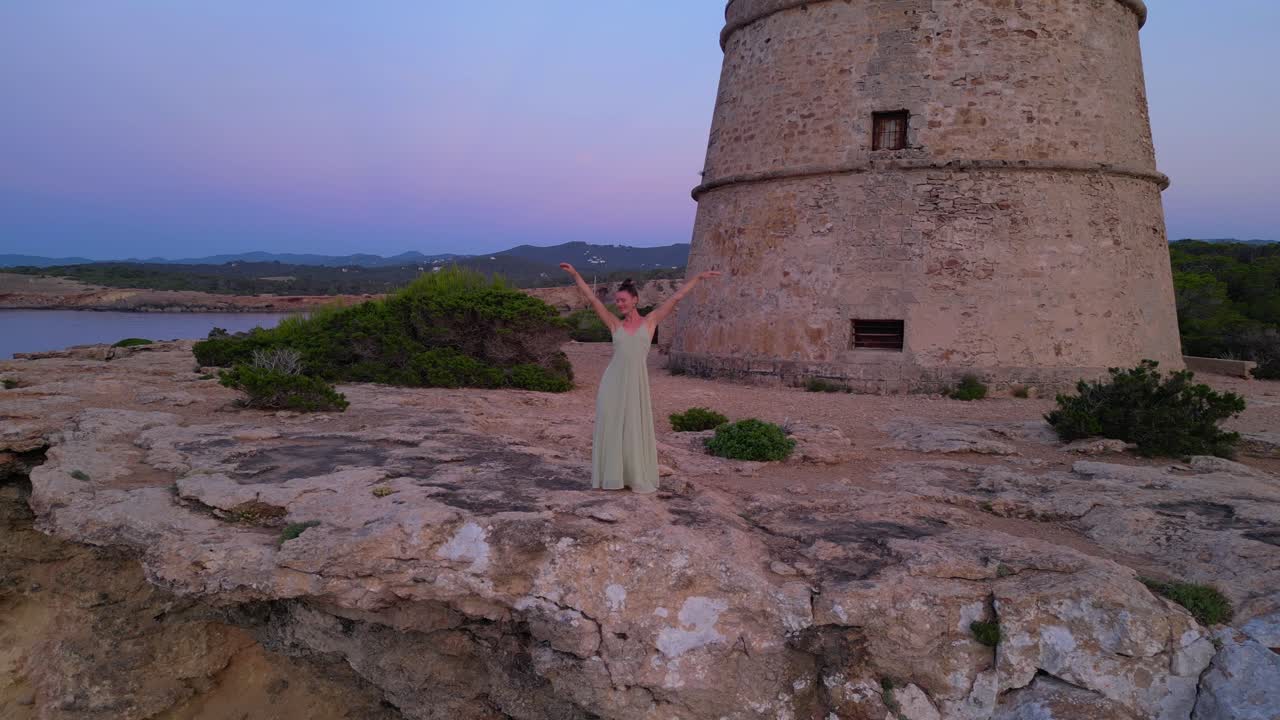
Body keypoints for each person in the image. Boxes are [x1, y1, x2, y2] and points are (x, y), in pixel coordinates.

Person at [559, 263, 722, 494]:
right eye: (617, 301)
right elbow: (593, 300)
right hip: (612, 383)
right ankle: (612, 476)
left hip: (636, 383)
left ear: (635, 300)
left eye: (623, 300)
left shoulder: (651, 322)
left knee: (634, 428)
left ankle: (633, 475)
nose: (619, 304)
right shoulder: (615, 324)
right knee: (612, 426)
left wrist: (698, 278)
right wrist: (576, 275)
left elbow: (676, 298)